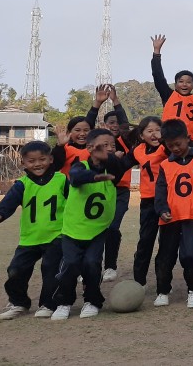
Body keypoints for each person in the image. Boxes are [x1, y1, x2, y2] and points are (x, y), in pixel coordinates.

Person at [51, 129, 126, 319]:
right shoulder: (79, 166)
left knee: (92, 264)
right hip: (73, 229)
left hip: (98, 230)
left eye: (112, 145)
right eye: (104, 145)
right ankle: (63, 302)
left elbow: (119, 167)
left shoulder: (114, 170)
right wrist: (95, 177)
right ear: (90, 148)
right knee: (70, 264)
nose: (109, 149)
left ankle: (92, 300)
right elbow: (76, 179)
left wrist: (108, 163)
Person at [0, 141, 68, 319]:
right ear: (23, 163)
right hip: (29, 238)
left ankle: (48, 304)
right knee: (15, 270)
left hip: (56, 236)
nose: (37, 164)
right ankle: (19, 303)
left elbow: (75, 202)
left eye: (42, 159)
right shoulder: (22, 185)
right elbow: (9, 202)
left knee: (50, 270)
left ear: (50, 159)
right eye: (31, 161)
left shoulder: (62, 180)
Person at [153, 119, 193, 308]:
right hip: (170, 217)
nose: (175, 148)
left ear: (188, 138)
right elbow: (160, 191)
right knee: (165, 256)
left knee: (190, 255)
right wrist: (162, 210)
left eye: (178, 144)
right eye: (170, 146)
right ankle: (162, 290)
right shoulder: (165, 165)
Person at [126, 116, 167, 287]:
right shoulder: (138, 150)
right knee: (145, 242)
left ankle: (163, 284)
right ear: (142, 135)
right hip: (148, 201)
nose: (154, 134)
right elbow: (121, 165)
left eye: (158, 130)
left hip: (167, 201)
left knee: (166, 245)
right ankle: (139, 282)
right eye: (150, 131)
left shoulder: (167, 148)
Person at [97, 85, 131, 283]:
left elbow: (125, 124)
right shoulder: (98, 141)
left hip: (120, 191)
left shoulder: (126, 140)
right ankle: (89, 265)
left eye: (117, 122)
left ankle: (110, 266)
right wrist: (98, 103)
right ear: (104, 123)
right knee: (94, 228)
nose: (115, 125)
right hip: (98, 189)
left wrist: (116, 101)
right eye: (111, 122)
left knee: (112, 227)